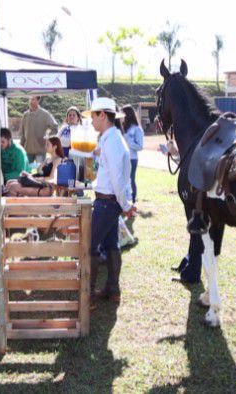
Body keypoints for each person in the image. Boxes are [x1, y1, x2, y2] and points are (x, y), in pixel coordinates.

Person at [82, 97, 136, 308]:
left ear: (102, 115)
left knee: (90, 246)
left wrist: (126, 205)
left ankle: (89, 297)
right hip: (109, 201)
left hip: (107, 202)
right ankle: (112, 290)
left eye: (93, 116)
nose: (92, 121)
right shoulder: (110, 138)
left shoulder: (112, 141)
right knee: (111, 244)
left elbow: (117, 179)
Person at [19, 96, 58, 163]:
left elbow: (55, 128)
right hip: (27, 150)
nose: (31, 101)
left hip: (40, 150)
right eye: (30, 99)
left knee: (40, 171)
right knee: (26, 171)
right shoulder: (25, 115)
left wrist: (47, 138)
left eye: (33, 99)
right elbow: (22, 134)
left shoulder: (45, 114)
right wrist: (21, 148)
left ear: (38, 100)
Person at [121, 105, 144, 204]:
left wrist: (129, 141)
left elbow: (140, 146)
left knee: (130, 179)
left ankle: (132, 200)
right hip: (121, 158)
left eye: (122, 114)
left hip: (132, 158)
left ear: (127, 115)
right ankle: (124, 200)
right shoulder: (122, 128)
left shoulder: (137, 129)